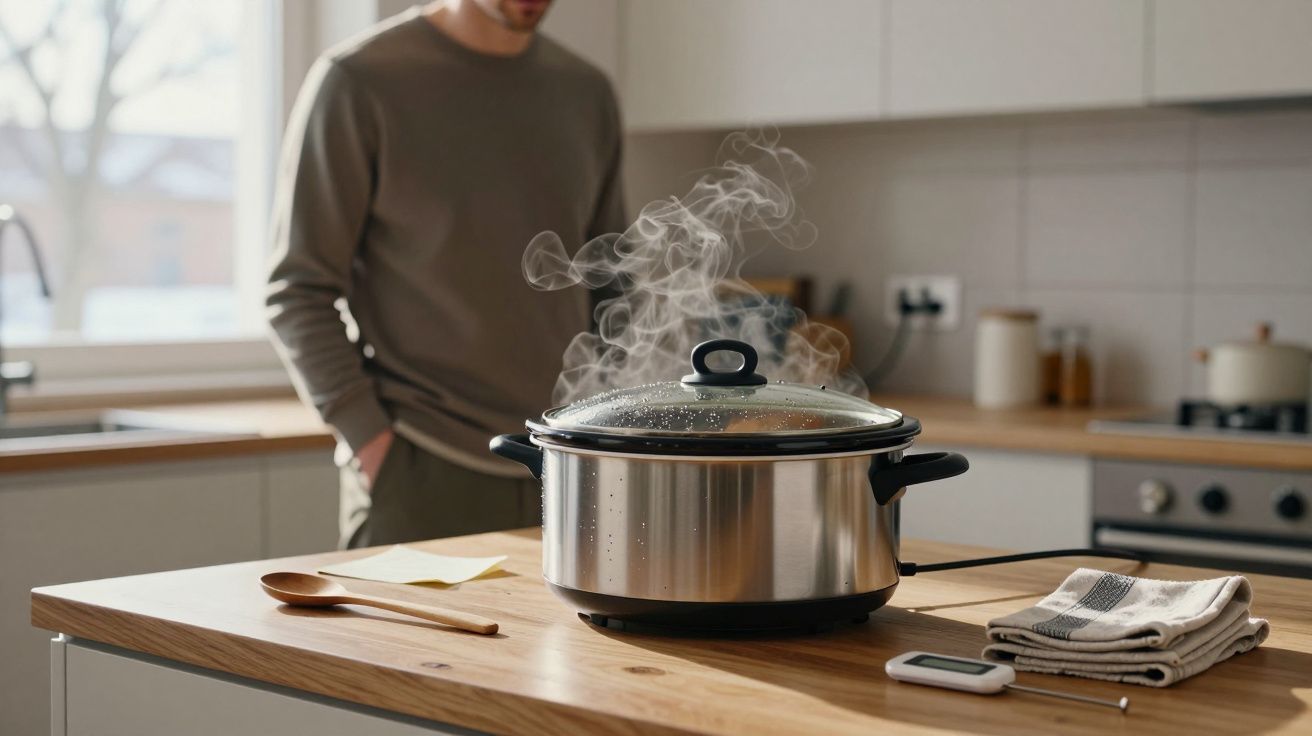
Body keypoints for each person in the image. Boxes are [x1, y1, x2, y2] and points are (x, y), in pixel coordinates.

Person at [266, 0, 625, 548]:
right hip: (420, 469)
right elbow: (297, 290)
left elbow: (615, 286)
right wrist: (371, 442)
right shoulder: (360, 81)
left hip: (567, 466)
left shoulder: (586, 92)